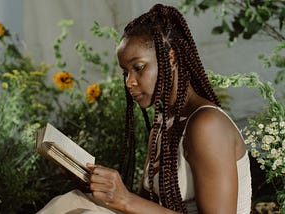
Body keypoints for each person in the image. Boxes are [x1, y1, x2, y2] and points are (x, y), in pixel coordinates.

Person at [37, 3, 252, 214]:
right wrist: (97, 187)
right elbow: (147, 205)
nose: (129, 81)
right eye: (125, 73)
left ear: (170, 57)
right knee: (70, 202)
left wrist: (125, 199)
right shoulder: (163, 124)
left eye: (138, 68)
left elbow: (132, 204)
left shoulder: (207, 125)